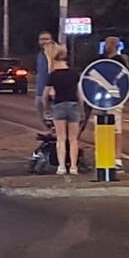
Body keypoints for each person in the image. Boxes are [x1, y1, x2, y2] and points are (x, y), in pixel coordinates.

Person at [43, 47, 81, 175]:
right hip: (73, 105)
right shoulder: (74, 74)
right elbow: (79, 93)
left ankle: (61, 167)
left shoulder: (52, 75)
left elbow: (45, 94)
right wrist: (81, 108)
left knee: (61, 138)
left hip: (58, 106)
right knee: (73, 139)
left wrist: (47, 108)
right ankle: (74, 167)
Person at [101, 36, 129, 169]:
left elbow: (125, 79)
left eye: (108, 43)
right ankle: (105, 155)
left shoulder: (119, 60)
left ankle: (117, 158)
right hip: (101, 98)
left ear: (114, 45)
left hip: (115, 96)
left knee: (116, 126)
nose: (106, 46)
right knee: (103, 125)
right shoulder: (102, 59)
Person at [34, 31, 58, 121]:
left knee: (55, 116)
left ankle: (57, 133)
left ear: (51, 40)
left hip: (52, 92)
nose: (44, 41)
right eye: (41, 39)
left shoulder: (56, 54)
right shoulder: (40, 55)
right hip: (40, 91)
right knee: (42, 116)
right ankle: (51, 132)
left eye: (46, 39)